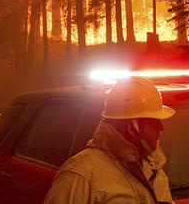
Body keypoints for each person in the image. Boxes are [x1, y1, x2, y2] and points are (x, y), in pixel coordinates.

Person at [44, 76, 174, 204]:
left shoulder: (153, 170)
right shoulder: (80, 175)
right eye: (153, 121)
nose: (162, 127)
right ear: (131, 127)